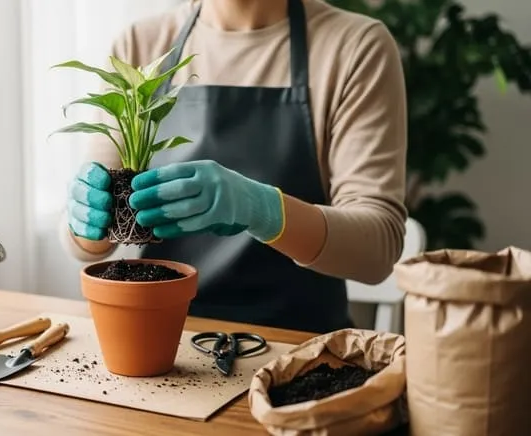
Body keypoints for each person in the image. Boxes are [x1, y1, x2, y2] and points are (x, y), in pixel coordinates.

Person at [59, 0, 407, 334]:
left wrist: (265, 210)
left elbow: (378, 250)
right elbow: (87, 242)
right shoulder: (142, 44)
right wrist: (86, 218)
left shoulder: (354, 47)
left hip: (298, 348)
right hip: (164, 339)